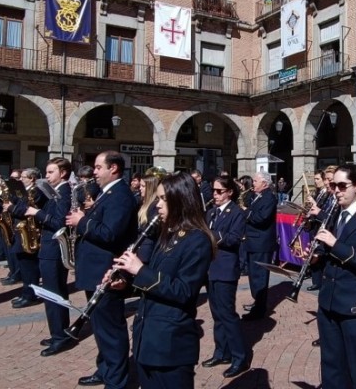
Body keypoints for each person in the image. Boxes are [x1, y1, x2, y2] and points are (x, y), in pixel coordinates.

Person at [111, 172, 213, 388]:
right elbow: (155, 280)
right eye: (158, 198)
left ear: (181, 200)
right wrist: (126, 284)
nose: (157, 205)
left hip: (170, 346)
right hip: (148, 341)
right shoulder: (167, 234)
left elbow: (184, 291)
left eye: (163, 199)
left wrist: (139, 270)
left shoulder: (197, 240)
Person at [65, 151, 138, 388]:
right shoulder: (108, 193)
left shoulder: (120, 196)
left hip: (107, 273)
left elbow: (110, 233)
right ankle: (105, 369)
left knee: (111, 330)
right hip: (95, 271)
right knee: (100, 328)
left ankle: (116, 381)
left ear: (113, 168)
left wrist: (82, 221)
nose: (94, 172)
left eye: (98, 167)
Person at [311, 166, 356, 388]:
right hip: (329, 301)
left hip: (354, 304)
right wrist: (314, 256)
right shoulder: (334, 214)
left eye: (343, 186)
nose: (337, 191)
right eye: (334, 186)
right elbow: (326, 253)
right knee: (331, 364)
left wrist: (335, 244)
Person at [21, 158, 73, 356]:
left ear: (63, 173)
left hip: (53, 249)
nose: (47, 176)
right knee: (53, 294)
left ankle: (60, 336)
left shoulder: (64, 192)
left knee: (54, 294)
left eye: (51, 172)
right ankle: (58, 332)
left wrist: (37, 213)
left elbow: (59, 222)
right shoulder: (55, 191)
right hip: (49, 248)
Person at [200, 175, 250, 378]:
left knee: (228, 315)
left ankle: (240, 357)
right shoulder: (210, 212)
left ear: (230, 192)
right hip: (211, 269)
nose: (215, 195)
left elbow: (233, 239)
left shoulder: (236, 213)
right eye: (213, 190)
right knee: (216, 314)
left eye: (219, 191)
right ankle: (222, 352)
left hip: (226, 269)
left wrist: (212, 234)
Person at [242, 171, 278, 321]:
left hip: (261, 243)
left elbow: (261, 218)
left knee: (260, 276)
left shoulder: (269, 197)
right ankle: (257, 301)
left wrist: (247, 213)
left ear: (264, 183)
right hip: (252, 241)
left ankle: (260, 309)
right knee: (253, 275)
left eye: (256, 181)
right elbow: (249, 204)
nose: (253, 184)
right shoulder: (257, 196)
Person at [6, 167, 44, 309]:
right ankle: (26, 293)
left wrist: (10, 208)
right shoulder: (24, 191)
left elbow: (24, 210)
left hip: (29, 232)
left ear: (32, 178)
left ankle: (30, 296)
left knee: (30, 268)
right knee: (24, 266)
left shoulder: (36, 192)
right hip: (22, 231)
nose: (20, 179)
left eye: (23, 177)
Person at [0, 170, 23, 286]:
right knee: (10, 251)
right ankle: (13, 272)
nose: (13, 181)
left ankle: (17, 274)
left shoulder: (21, 191)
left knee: (17, 251)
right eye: (11, 178)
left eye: (16, 178)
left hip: (19, 223)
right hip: (10, 221)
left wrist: (10, 207)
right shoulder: (13, 190)